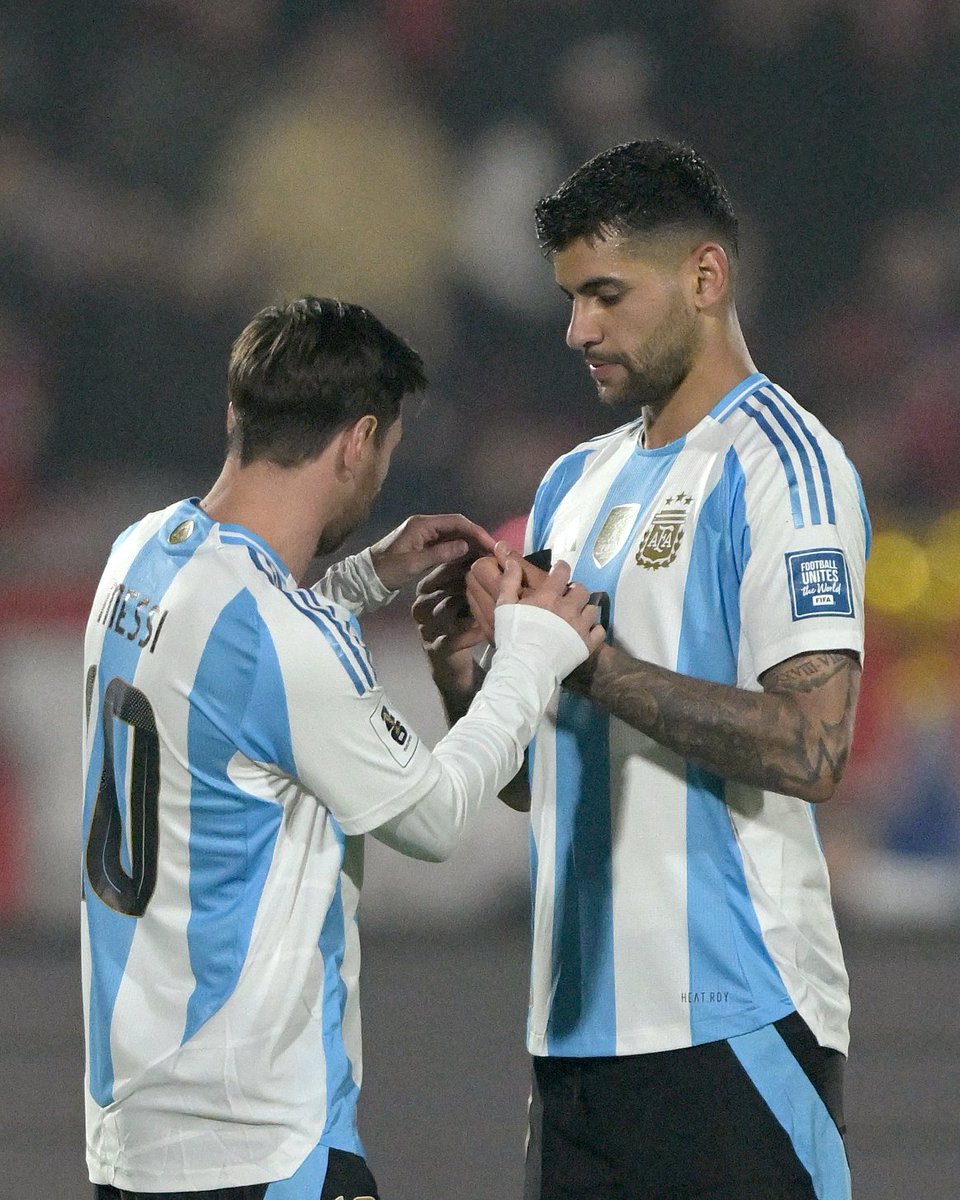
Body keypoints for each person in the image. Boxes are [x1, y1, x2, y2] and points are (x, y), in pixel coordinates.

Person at [414, 140, 869, 1200]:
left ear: (706, 278)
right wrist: (470, 672)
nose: (579, 329)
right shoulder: (576, 482)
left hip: (731, 1023)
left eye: (607, 295)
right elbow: (546, 780)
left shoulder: (782, 466)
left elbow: (813, 747)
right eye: (572, 299)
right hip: (575, 1042)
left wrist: (594, 666)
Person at [80, 296, 603, 1200]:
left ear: (237, 415)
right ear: (359, 440)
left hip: (132, 1139)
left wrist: (362, 576)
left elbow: (233, 668)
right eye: (387, 451)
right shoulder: (284, 641)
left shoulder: (141, 552)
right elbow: (433, 817)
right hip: (258, 1144)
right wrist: (533, 651)